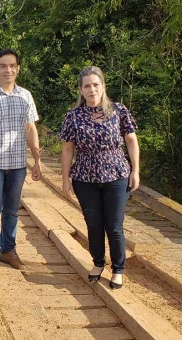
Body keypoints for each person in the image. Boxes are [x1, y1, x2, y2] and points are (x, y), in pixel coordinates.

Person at [59, 66, 140, 290]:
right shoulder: (73, 116)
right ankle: (97, 262)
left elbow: (131, 140)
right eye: (87, 86)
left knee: (114, 225)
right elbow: (67, 149)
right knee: (93, 225)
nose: (92, 89)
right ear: (80, 90)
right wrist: (65, 179)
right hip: (85, 178)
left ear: (103, 86)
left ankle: (118, 269)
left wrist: (135, 170)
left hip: (116, 175)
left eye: (96, 84)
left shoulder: (119, 111)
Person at [0, 49, 42, 277]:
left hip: (17, 165)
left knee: (12, 211)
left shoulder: (26, 96)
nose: (8, 70)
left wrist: (37, 159)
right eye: (3, 66)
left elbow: (31, 127)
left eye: (12, 65)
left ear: (18, 68)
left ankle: (9, 250)